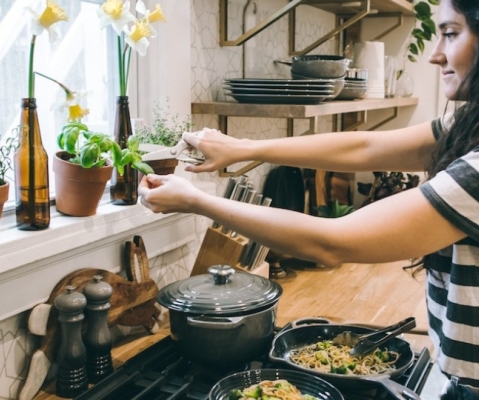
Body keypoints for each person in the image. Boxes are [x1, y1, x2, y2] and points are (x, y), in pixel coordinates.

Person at [139, 0, 479, 397]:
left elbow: (332, 242)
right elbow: (365, 148)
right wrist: (244, 148)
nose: (436, 54)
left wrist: (197, 201)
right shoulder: (468, 123)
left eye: (451, 33)